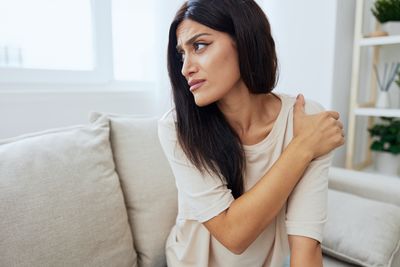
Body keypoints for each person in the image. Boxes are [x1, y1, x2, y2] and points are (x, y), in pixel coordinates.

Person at [158, 0, 345, 266]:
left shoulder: (305, 117)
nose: (185, 68)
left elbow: (306, 245)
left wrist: (305, 142)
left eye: (199, 46)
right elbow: (233, 235)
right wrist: (302, 148)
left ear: (244, 39)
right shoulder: (177, 127)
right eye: (181, 54)